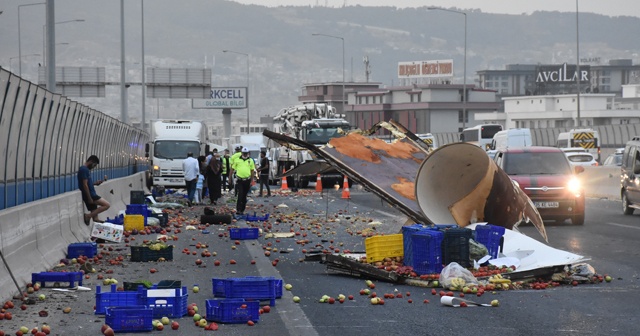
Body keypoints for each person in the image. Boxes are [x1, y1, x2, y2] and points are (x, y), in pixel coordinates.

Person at [78, 155, 110, 225]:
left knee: (95, 219)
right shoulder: (84, 170)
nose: (93, 167)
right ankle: (88, 216)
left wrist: (95, 183)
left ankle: (98, 224)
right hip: (91, 195)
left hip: (91, 193)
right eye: (94, 165)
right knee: (107, 205)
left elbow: (87, 184)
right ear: (91, 161)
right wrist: (89, 198)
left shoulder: (85, 170)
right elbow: (85, 185)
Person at [229, 147, 257, 215]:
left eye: (246, 153)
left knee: (244, 196)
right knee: (240, 194)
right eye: (244, 153)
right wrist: (230, 178)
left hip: (247, 180)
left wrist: (251, 180)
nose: (245, 155)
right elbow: (232, 170)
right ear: (241, 153)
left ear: (248, 153)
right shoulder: (237, 160)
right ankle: (238, 209)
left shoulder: (250, 161)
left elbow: (252, 171)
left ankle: (242, 209)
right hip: (239, 180)